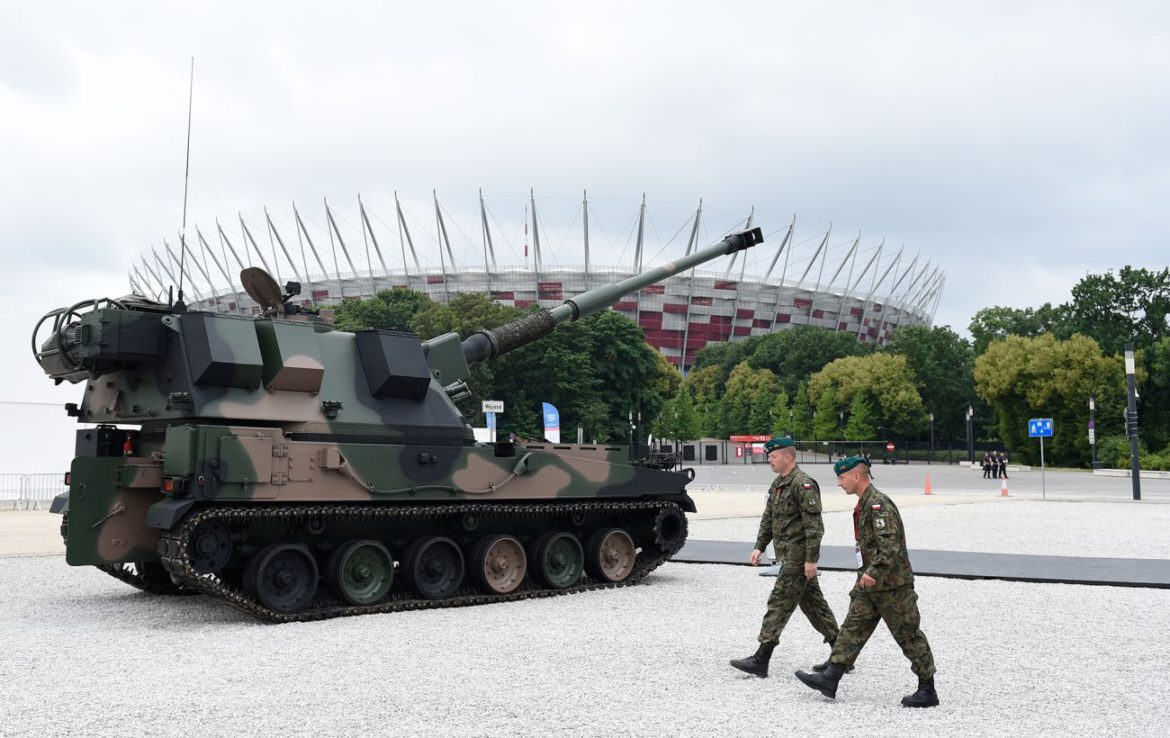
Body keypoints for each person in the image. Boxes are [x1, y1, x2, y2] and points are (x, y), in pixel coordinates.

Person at [794, 456, 938, 708]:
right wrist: (865, 575)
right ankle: (831, 677)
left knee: (908, 635)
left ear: (857, 476)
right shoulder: (864, 504)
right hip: (869, 584)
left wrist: (875, 570)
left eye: (841, 477)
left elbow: (890, 543)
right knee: (852, 628)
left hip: (892, 586)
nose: (839, 483)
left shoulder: (878, 505)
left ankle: (927, 688)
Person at [729, 436, 841, 678]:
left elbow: (814, 527)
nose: (770, 459)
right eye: (769, 456)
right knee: (814, 606)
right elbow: (768, 517)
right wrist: (760, 545)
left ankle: (761, 658)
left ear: (788, 457)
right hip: (788, 556)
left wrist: (811, 559)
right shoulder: (778, 485)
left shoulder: (803, 484)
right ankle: (842, 654)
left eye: (774, 456)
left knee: (778, 603)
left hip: (798, 558)